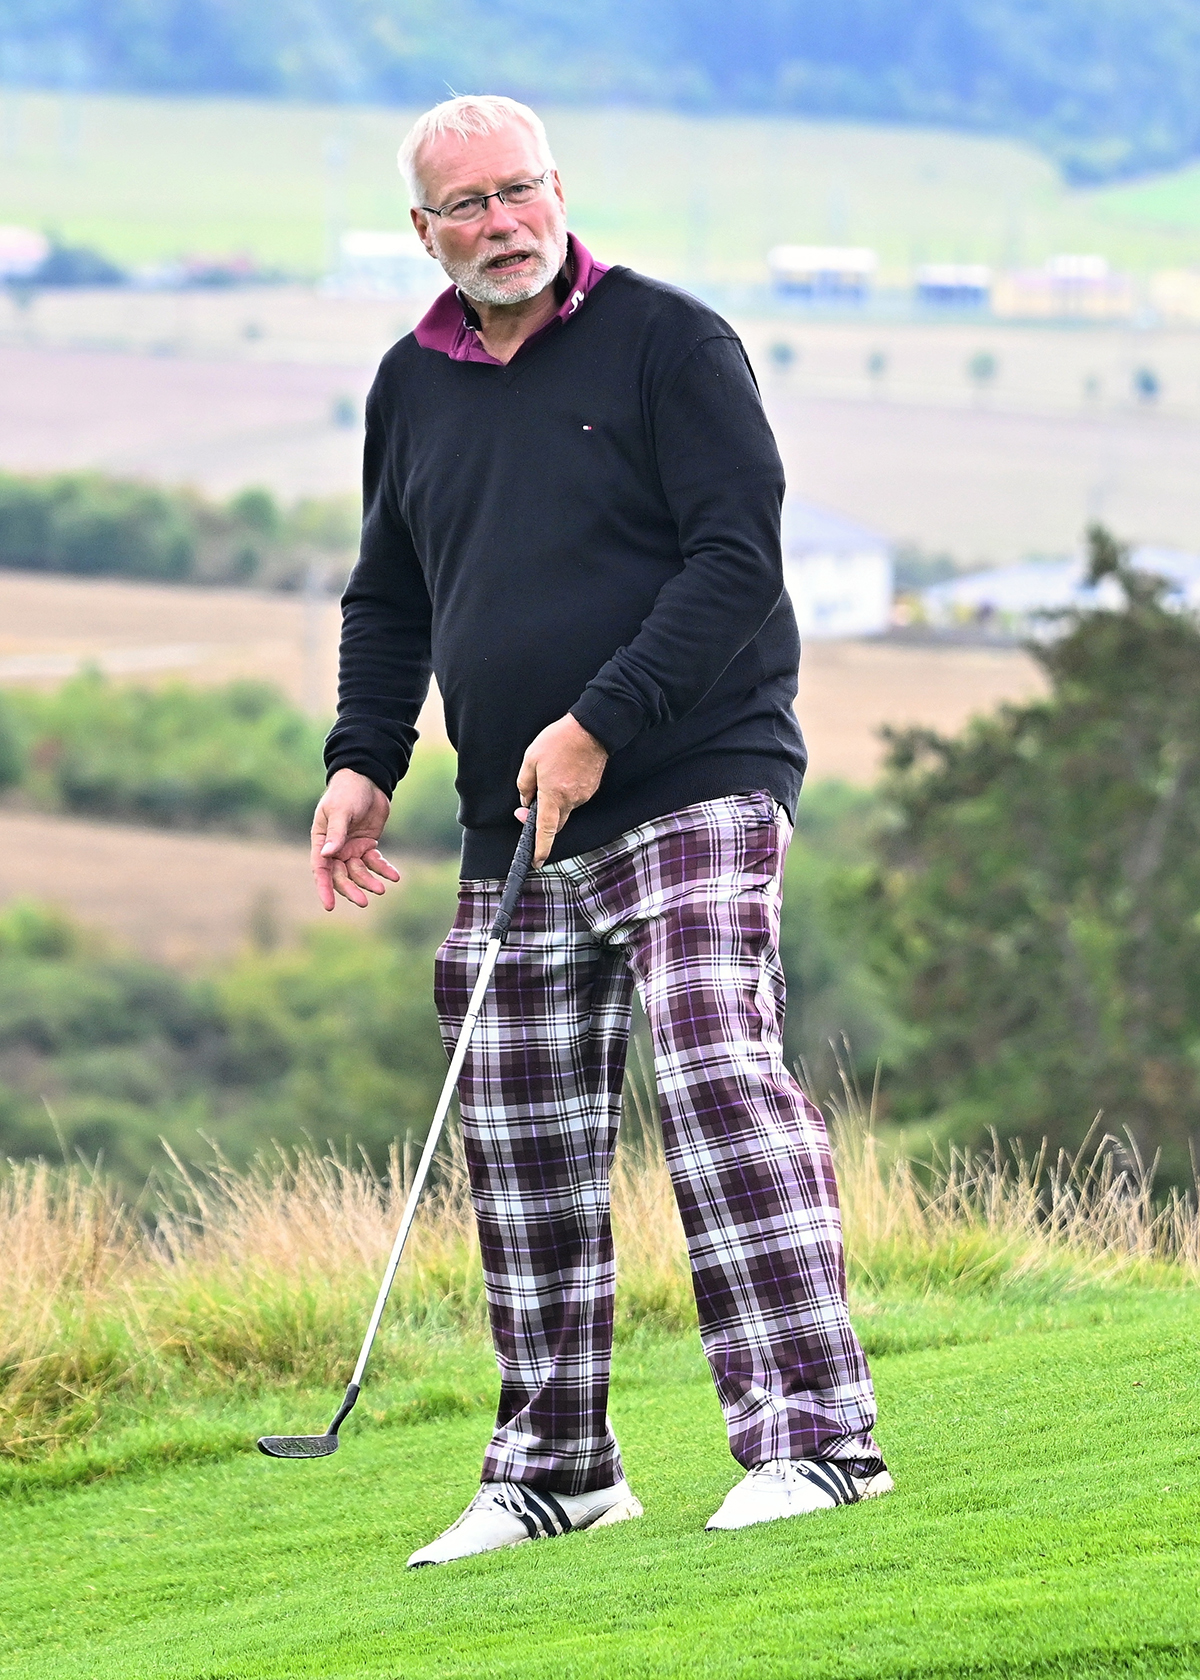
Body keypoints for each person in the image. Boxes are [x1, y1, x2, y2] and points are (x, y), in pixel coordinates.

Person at [312, 93, 890, 1569]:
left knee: (714, 1073)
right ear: (424, 231)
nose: (502, 223)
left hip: (696, 772)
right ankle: (559, 1470)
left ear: (558, 189)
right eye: (468, 204)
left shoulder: (669, 342)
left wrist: (599, 720)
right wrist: (363, 758)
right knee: (521, 1137)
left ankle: (816, 1441)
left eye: (521, 190)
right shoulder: (411, 384)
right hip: (515, 821)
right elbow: (391, 594)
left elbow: (736, 561)